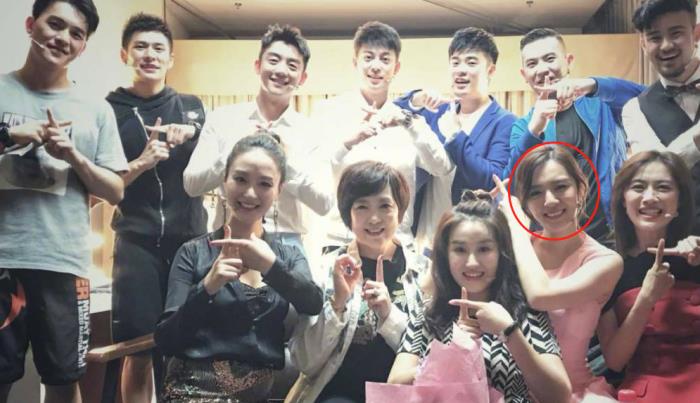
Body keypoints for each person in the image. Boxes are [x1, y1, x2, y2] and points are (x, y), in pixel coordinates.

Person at [0, 1, 127, 402]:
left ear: (83, 47)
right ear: (30, 24)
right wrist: (10, 136)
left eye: (76, 34)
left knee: (63, 379)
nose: (63, 38)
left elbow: (115, 190)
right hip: (2, 261)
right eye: (55, 25)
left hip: (63, 264)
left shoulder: (96, 110)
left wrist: (73, 156)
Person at [154, 134, 323, 402]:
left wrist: (270, 266)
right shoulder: (193, 253)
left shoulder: (287, 256)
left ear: (279, 190)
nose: (250, 193)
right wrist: (208, 286)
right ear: (224, 181)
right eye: (240, 179)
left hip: (255, 394)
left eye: (264, 183)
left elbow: (312, 303)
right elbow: (166, 340)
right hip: (193, 391)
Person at [105, 13, 207, 402]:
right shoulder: (109, 111)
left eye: (158, 48)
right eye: (140, 47)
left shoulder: (192, 107)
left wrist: (194, 134)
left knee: (189, 346)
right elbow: (100, 187)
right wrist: (142, 163)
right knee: (138, 348)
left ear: (171, 58)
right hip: (136, 243)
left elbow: (217, 163)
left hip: (190, 244)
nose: (150, 55)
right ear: (124, 54)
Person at [387, 191, 570, 403]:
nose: (472, 262)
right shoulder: (430, 313)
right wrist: (448, 355)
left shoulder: (526, 311)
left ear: (501, 252)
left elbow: (559, 396)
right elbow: (394, 387)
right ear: (445, 255)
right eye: (460, 250)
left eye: (484, 249)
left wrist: (510, 332)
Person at [184, 23, 331, 256]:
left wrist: (286, 161)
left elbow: (324, 204)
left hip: (286, 244)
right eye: (273, 60)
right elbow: (191, 185)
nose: (281, 70)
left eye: (292, 65)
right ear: (257, 65)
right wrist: (233, 155)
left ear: (302, 78)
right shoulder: (222, 119)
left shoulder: (311, 131)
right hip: (227, 237)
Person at [287, 161, 429, 402]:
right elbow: (305, 362)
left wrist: (389, 315)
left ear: (400, 211)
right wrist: (337, 303)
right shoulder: (326, 268)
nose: (374, 218)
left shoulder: (422, 271)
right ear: (348, 214)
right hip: (339, 393)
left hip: (402, 395)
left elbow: (430, 360)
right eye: (362, 207)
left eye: (385, 206)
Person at [312, 21, 453, 250]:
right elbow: (316, 173)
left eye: (385, 59)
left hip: (397, 243)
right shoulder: (328, 113)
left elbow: (441, 168)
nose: (376, 66)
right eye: (368, 58)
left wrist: (409, 123)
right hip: (341, 241)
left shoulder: (408, 120)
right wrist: (348, 143)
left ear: (396, 67)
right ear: (355, 62)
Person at [508, 28, 645, 246]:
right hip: (552, 240)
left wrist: (591, 84)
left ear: (568, 61)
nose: (542, 69)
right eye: (532, 64)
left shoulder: (602, 105)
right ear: (524, 75)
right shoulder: (523, 126)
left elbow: (647, 97)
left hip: (610, 234)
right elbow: (513, 186)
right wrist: (534, 129)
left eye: (550, 59)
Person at [506, 144, 622, 401]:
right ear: (525, 203)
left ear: (580, 190)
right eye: (536, 192)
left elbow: (541, 296)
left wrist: (516, 228)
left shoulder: (605, 261)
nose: (549, 200)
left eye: (560, 187)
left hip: (574, 392)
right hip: (508, 391)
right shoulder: (513, 250)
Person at [597, 151, 700, 401]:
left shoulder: (696, 252)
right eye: (638, 187)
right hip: (648, 391)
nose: (650, 197)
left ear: (680, 201)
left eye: (663, 187)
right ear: (623, 200)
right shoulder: (608, 266)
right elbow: (615, 361)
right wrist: (646, 298)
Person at [395, 27, 516, 204]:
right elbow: (393, 110)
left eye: (471, 63)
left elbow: (494, 180)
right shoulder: (438, 111)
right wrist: (418, 98)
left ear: (490, 70)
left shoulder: (505, 122)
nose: (460, 70)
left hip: (468, 218)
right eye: (455, 62)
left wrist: (456, 137)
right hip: (426, 218)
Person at [622, 0, 700, 233]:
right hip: (677, 239)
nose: (666, 46)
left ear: (696, 33)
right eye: (655, 37)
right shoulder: (635, 109)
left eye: (676, 33)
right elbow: (655, 172)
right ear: (643, 44)